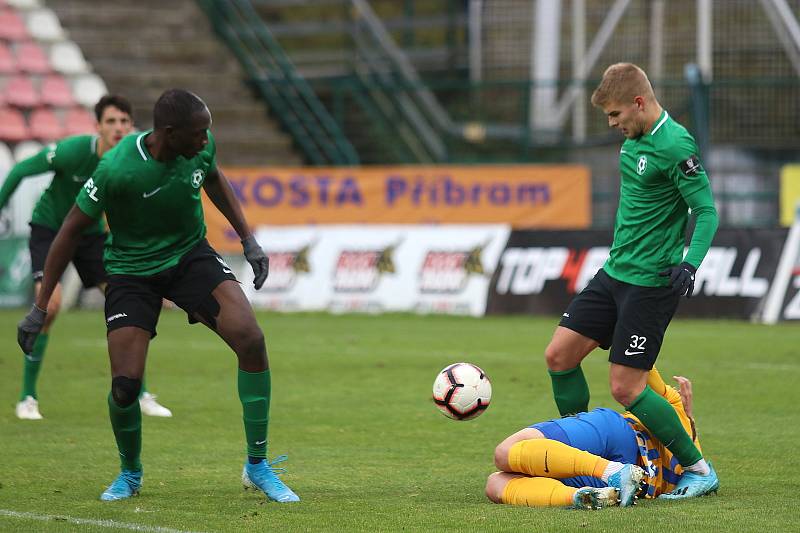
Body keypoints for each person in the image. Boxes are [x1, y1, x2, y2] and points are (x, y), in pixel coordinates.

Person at [16, 89, 299, 503]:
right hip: (131, 273)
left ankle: (257, 465)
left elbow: (214, 177)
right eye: (198, 134)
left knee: (251, 339)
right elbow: (70, 232)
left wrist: (247, 239)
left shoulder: (199, 146)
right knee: (125, 388)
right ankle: (130, 473)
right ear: (168, 134)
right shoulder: (117, 169)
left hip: (189, 257)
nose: (206, 141)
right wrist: (40, 309)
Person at [543, 63, 719, 498]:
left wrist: (690, 263)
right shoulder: (632, 141)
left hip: (650, 284)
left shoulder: (677, 144)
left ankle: (699, 468)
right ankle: (580, 454)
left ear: (639, 103)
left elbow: (707, 210)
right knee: (559, 356)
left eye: (616, 115)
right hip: (614, 273)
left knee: (626, 387)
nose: (612, 124)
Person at [0, 95, 172, 420]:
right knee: (48, 307)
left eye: (124, 121)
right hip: (51, 228)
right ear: (97, 126)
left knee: (129, 304)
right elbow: (21, 169)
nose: (118, 128)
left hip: (92, 235)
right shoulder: (74, 151)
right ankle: (27, 397)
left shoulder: (134, 158)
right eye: (111, 121)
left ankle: (140, 393)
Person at [486, 368, 713, 509]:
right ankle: (580, 497)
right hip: (640, 482)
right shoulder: (694, 473)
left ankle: (610, 473)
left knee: (505, 453)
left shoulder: (673, 404)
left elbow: (641, 366)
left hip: (618, 433)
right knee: (495, 484)